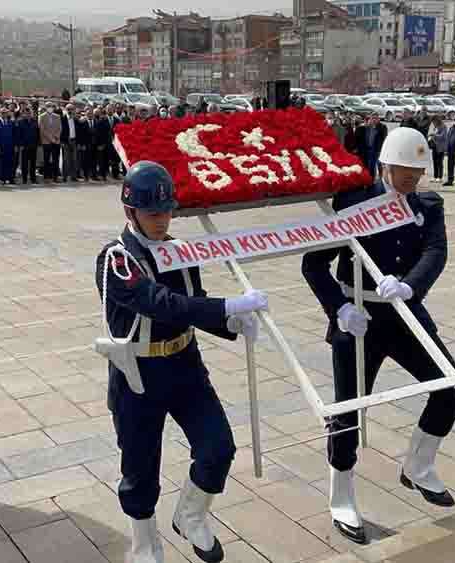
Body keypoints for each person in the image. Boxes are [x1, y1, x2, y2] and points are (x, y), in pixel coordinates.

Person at [95, 161, 267, 563]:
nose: (162, 220)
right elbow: (159, 303)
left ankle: (190, 514)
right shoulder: (116, 258)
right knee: (140, 468)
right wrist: (226, 306)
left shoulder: (179, 252)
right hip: (138, 375)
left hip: (185, 365)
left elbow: (192, 302)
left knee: (218, 446)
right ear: (130, 211)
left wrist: (231, 323)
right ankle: (144, 546)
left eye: (167, 211)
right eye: (152, 213)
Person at [302, 127, 455, 545]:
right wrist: (339, 309)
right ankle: (341, 497)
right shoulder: (354, 203)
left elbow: (436, 251)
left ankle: (418, 466)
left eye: (417, 171)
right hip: (358, 318)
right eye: (403, 170)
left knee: (451, 387)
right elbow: (314, 265)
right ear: (383, 165)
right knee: (347, 412)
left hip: (403, 311)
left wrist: (410, 286)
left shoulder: (426, 205)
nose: (411, 178)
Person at [355, 115, 387, 179]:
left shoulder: (382, 127)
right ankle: (369, 178)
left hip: (376, 149)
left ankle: (377, 178)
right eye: (372, 118)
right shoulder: (366, 127)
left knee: (375, 165)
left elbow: (384, 138)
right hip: (367, 149)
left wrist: (381, 149)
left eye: (375, 118)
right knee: (369, 165)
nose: (374, 120)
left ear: (378, 119)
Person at [39, 102, 62, 184]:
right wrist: (51, 138)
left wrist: (56, 137)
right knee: (46, 160)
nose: (50, 107)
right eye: (48, 106)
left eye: (51, 106)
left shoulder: (57, 116)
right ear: (45, 107)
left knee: (56, 160)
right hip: (46, 141)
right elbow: (42, 129)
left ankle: (55, 177)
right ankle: (46, 177)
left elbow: (60, 128)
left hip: (56, 141)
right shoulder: (41, 116)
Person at [16, 109, 40, 185]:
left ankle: (33, 179)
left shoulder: (35, 121)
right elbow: (18, 135)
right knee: (24, 164)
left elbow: (37, 133)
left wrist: (37, 143)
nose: (28, 115)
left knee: (33, 163)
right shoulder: (20, 122)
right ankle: (24, 179)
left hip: (33, 145)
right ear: (23, 114)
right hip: (24, 146)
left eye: (29, 113)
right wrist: (21, 145)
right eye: (26, 113)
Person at [0, 110, 16, 184]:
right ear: (0, 114)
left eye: (6, 113)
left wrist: (15, 145)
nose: (4, 114)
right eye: (3, 113)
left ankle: (10, 178)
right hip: (0, 146)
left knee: (9, 162)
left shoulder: (11, 122)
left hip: (10, 146)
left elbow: (14, 134)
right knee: (0, 163)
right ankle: (2, 178)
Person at [429, 116, 448, 182]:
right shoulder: (435, 127)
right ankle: (435, 176)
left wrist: (434, 135)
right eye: (432, 122)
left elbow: (443, 136)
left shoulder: (443, 126)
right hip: (434, 146)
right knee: (434, 162)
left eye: (434, 122)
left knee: (439, 162)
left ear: (437, 120)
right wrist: (430, 136)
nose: (433, 123)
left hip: (440, 147)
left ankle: (440, 177)